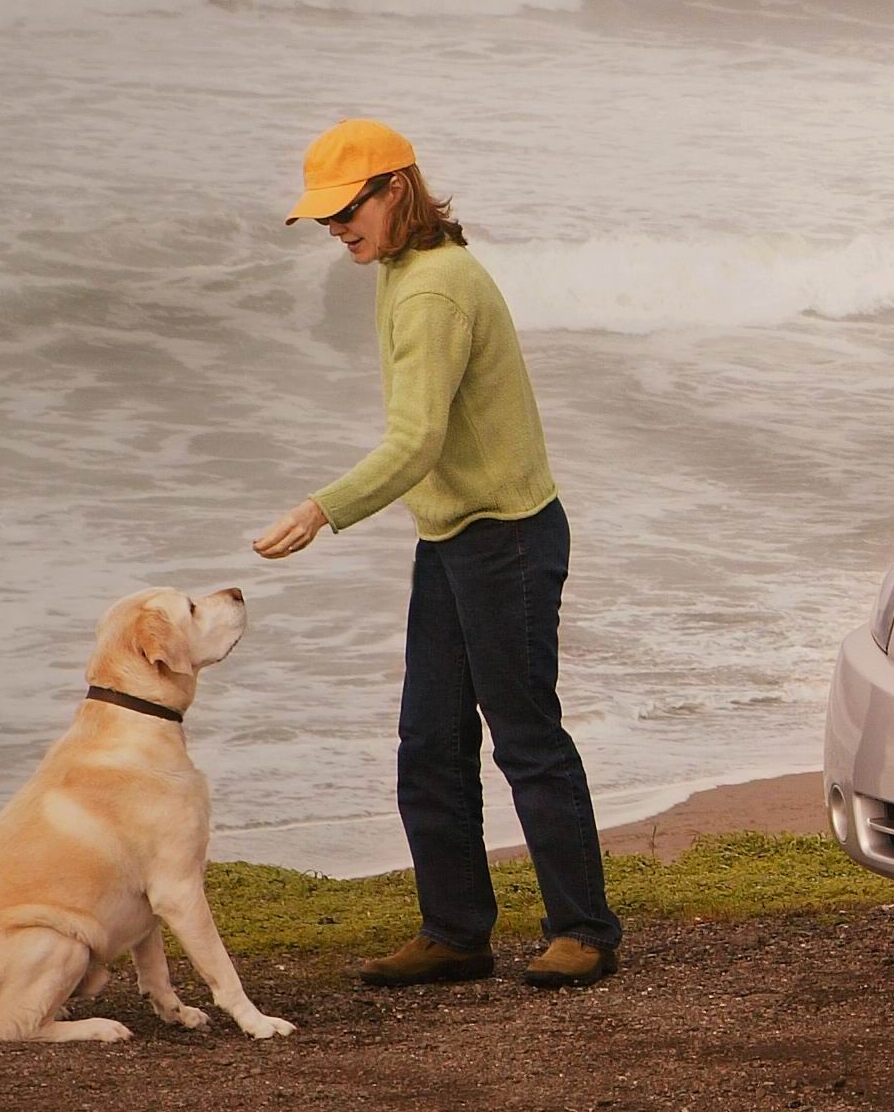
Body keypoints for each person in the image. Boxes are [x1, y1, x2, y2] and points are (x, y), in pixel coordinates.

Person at [253, 119, 620, 988]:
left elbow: (416, 442)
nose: (337, 229)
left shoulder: (430, 290)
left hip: (509, 539)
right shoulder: (403, 270)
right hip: (453, 536)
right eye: (325, 218)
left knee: (525, 739)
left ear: (396, 191)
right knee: (428, 741)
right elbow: (426, 447)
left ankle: (585, 930)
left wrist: (322, 510)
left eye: (349, 210)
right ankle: (456, 931)